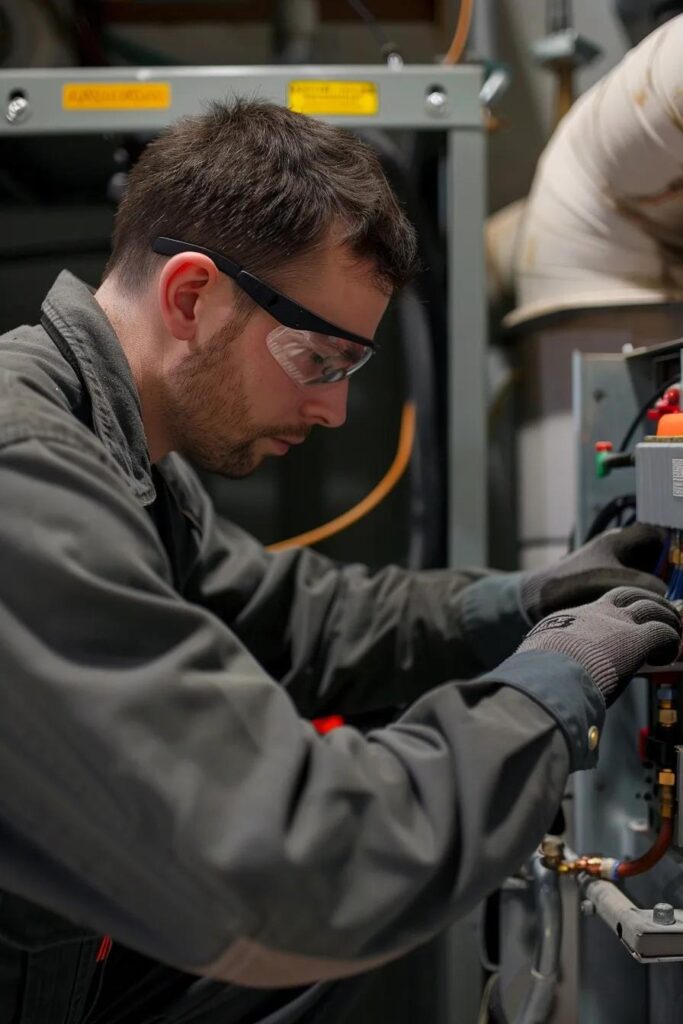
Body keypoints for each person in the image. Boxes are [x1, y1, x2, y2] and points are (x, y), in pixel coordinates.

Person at [0, 98, 679, 1024]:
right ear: (192, 295)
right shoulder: (26, 472)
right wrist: (553, 687)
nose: (332, 412)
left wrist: (526, 603)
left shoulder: (120, 455)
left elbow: (293, 619)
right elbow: (309, 857)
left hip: (55, 966)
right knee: (327, 907)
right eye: (318, 359)